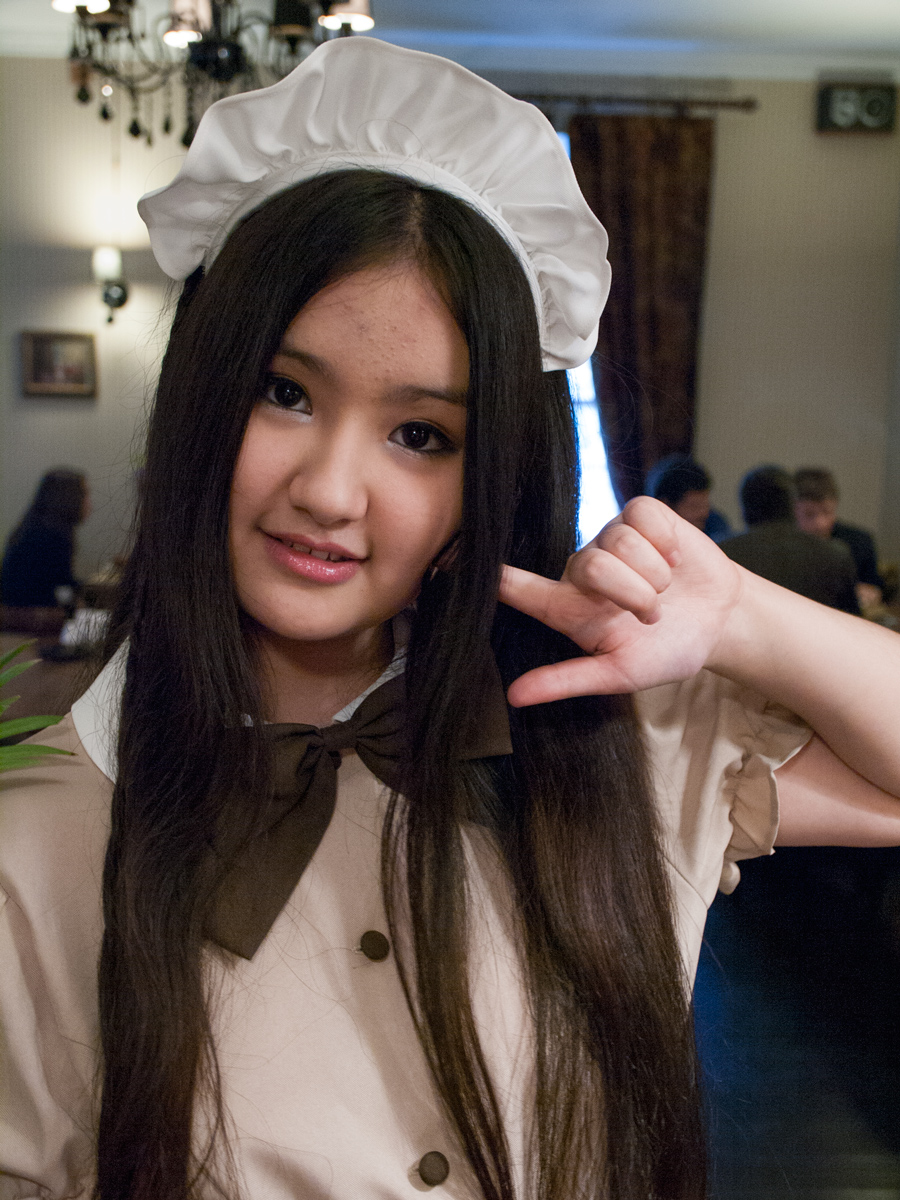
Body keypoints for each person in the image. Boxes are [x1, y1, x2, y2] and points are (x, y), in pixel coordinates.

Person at [2, 39, 900, 1200]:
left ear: (490, 480)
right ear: (200, 394)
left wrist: (741, 616)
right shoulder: (37, 843)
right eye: (285, 392)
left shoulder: (610, 744)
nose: (331, 490)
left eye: (420, 435)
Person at [719, 464, 860, 614]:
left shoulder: (720, 553)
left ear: (744, 509)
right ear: (792, 505)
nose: (820, 524)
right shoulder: (836, 555)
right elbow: (851, 620)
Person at [0, 468, 89, 631]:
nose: (89, 503)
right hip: (24, 613)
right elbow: (61, 586)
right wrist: (75, 611)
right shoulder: (53, 534)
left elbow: (56, 580)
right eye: (84, 495)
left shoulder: (38, 526)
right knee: (90, 622)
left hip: (13, 608)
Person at [794, 466, 884, 611]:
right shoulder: (781, 546)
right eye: (809, 514)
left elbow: (875, 588)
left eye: (827, 512)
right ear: (792, 511)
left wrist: (870, 593)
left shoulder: (859, 542)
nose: (820, 523)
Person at [644, 453, 731, 540]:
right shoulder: (649, 535)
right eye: (694, 507)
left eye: (706, 505)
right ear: (665, 506)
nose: (704, 513)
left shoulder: (714, 525)